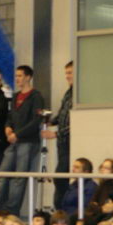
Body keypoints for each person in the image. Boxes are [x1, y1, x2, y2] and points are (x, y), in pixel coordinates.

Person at [0, 65, 44, 217]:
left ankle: (12, 210)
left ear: (28, 77)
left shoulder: (36, 96)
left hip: (27, 141)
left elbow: (36, 120)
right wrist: (7, 127)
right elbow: (10, 116)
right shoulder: (16, 96)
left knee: (19, 178)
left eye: (20, 76)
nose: (17, 79)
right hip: (14, 140)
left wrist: (18, 134)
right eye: (16, 76)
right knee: (2, 174)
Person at [41, 61, 73, 210]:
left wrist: (55, 133)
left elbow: (77, 123)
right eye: (66, 73)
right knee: (61, 177)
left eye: (70, 73)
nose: (67, 76)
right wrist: (50, 122)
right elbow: (62, 114)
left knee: (61, 177)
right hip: (62, 142)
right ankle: (59, 208)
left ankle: (61, 209)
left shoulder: (79, 93)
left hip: (70, 141)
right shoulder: (68, 92)